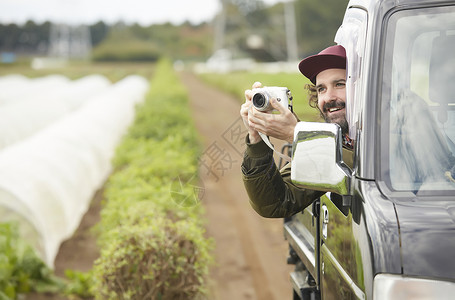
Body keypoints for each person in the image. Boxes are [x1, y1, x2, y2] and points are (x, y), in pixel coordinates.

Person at [240, 45, 350, 218]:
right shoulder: (333, 140)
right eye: (321, 88)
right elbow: (275, 203)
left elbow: (361, 165)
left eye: (340, 84)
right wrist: (256, 138)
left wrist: (297, 134)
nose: (328, 97)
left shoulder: (391, 134)